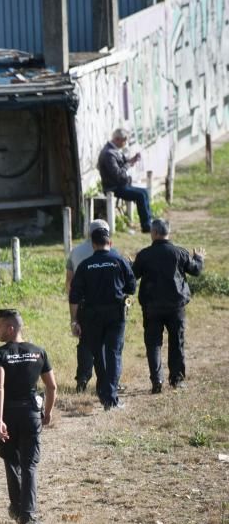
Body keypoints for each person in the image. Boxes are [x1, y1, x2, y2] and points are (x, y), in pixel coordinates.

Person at [0, 309, 56, 524]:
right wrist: (47, 412)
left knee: (11, 461)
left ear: (11, 328)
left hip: (9, 413)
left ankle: (17, 506)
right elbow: (52, 386)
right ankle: (27, 515)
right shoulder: (39, 352)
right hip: (30, 414)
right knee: (28, 465)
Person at [132, 219, 205, 393]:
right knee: (176, 341)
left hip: (151, 307)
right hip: (176, 306)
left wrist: (130, 264)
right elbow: (195, 270)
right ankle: (177, 379)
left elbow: (133, 276)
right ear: (168, 232)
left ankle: (157, 380)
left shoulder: (144, 255)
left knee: (153, 343)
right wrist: (199, 258)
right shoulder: (179, 252)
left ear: (155, 233)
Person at [69, 227, 136, 410]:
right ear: (110, 243)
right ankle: (110, 398)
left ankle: (105, 395)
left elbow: (74, 296)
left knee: (99, 355)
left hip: (91, 316)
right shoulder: (120, 260)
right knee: (113, 354)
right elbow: (131, 288)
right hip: (116, 314)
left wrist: (74, 320)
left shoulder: (85, 265)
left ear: (93, 245)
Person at [66, 218, 113, 393]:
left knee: (85, 342)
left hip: (84, 304)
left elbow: (69, 282)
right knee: (109, 344)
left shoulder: (75, 252)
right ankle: (108, 380)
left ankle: (82, 379)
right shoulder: (112, 252)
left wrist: (73, 311)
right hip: (109, 305)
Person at [98, 128, 153, 233]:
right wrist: (128, 165)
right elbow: (118, 174)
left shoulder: (114, 150)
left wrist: (133, 159)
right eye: (125, 140)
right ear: (118, 139)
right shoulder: (109, 154)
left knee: (144, 192)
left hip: (120, 185)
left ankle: (149, 221)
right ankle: (146, 226)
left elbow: (124, 163)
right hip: (113, 187)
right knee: (140, 196)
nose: (125, 143)